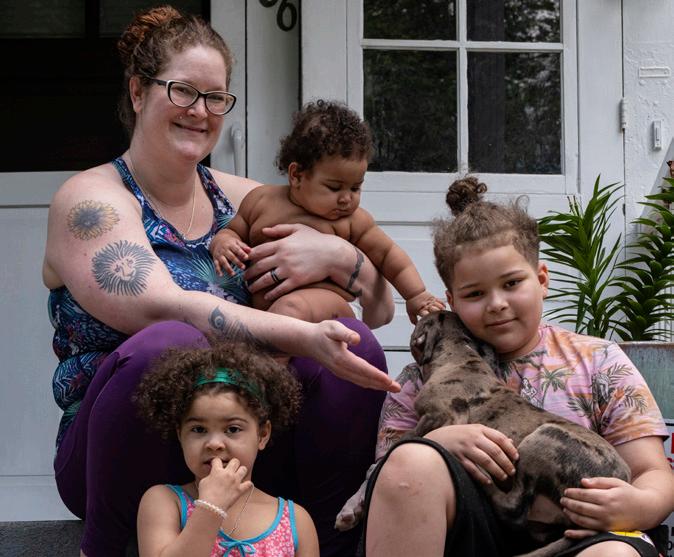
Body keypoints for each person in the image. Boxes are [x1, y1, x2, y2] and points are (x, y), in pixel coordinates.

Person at [43, 6, 399, 557]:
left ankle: (332, 543)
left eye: (215, 97)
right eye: (183, 91)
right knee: (170, 342)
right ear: (138, 92)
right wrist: (302, 335)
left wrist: (343, 258)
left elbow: (379, 311)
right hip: (120, 453)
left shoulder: (248, 199)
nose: (200, 111)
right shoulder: (91, 200)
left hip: (246, 445)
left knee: (356, 342)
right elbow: (165, 306)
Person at [361, 177, 674, 557]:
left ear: (541, 279)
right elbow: (385, 477)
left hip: (583, 535)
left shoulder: (598, 362)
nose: (496, 303)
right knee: (411, 460)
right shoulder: (423, 379)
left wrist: (638, 504)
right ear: (452, 301)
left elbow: (652, 472)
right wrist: (436, 442)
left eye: (511, 283)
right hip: (473, 537)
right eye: (475, 293)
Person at [209, 100, 444, 324]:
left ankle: (276, 346)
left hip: (331, 309)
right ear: (297, 175)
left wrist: (416, 294)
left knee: (291, 309)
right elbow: (233, 231)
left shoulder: (352, 221)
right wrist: (223, 242)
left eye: (355, 188)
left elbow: (389, 255)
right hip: (266, 313)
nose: (346, 198)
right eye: (334, 187)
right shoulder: (261, 201)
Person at [134, 341, 319, 557]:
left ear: (262, 434)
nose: (214, 443)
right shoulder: (164, 502)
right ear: (180, 434)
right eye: (198, 429)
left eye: (232, 429)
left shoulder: (297, 521)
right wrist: (211, 506)